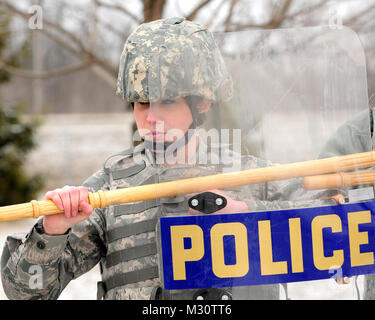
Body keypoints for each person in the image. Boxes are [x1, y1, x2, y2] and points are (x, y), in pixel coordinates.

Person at [1, 17, 333, 300]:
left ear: (202, 103)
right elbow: (26, 293)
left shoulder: (249, 177)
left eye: (167, 102)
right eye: (142, 103)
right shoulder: (110, 189)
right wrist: (52, 232)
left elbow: (337, 225)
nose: (151, 118)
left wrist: (249, 215)